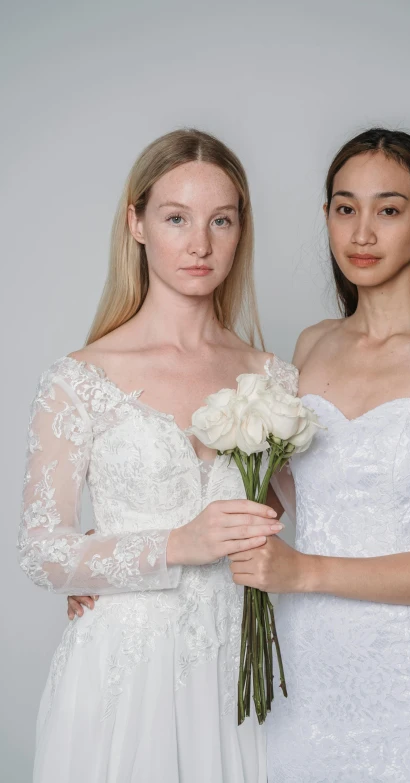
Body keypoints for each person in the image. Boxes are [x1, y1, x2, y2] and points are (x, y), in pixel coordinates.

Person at [229, 129, 410, 782]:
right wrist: (116, 556)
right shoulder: (310, 346)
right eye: (344, 207)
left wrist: (303, 571)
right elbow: (297, 499)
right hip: (307, 666)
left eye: (388, 209)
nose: (362, 232)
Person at [18, 128, 299, 783]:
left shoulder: (274, 379)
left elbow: (317, 517)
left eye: (220, 220)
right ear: (136, 222)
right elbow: (42, 550)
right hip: (122, 676)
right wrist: (174, 542)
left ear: (240, 229)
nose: (200, 244)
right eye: (177, 218)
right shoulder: (79, 378)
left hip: (239, 673)